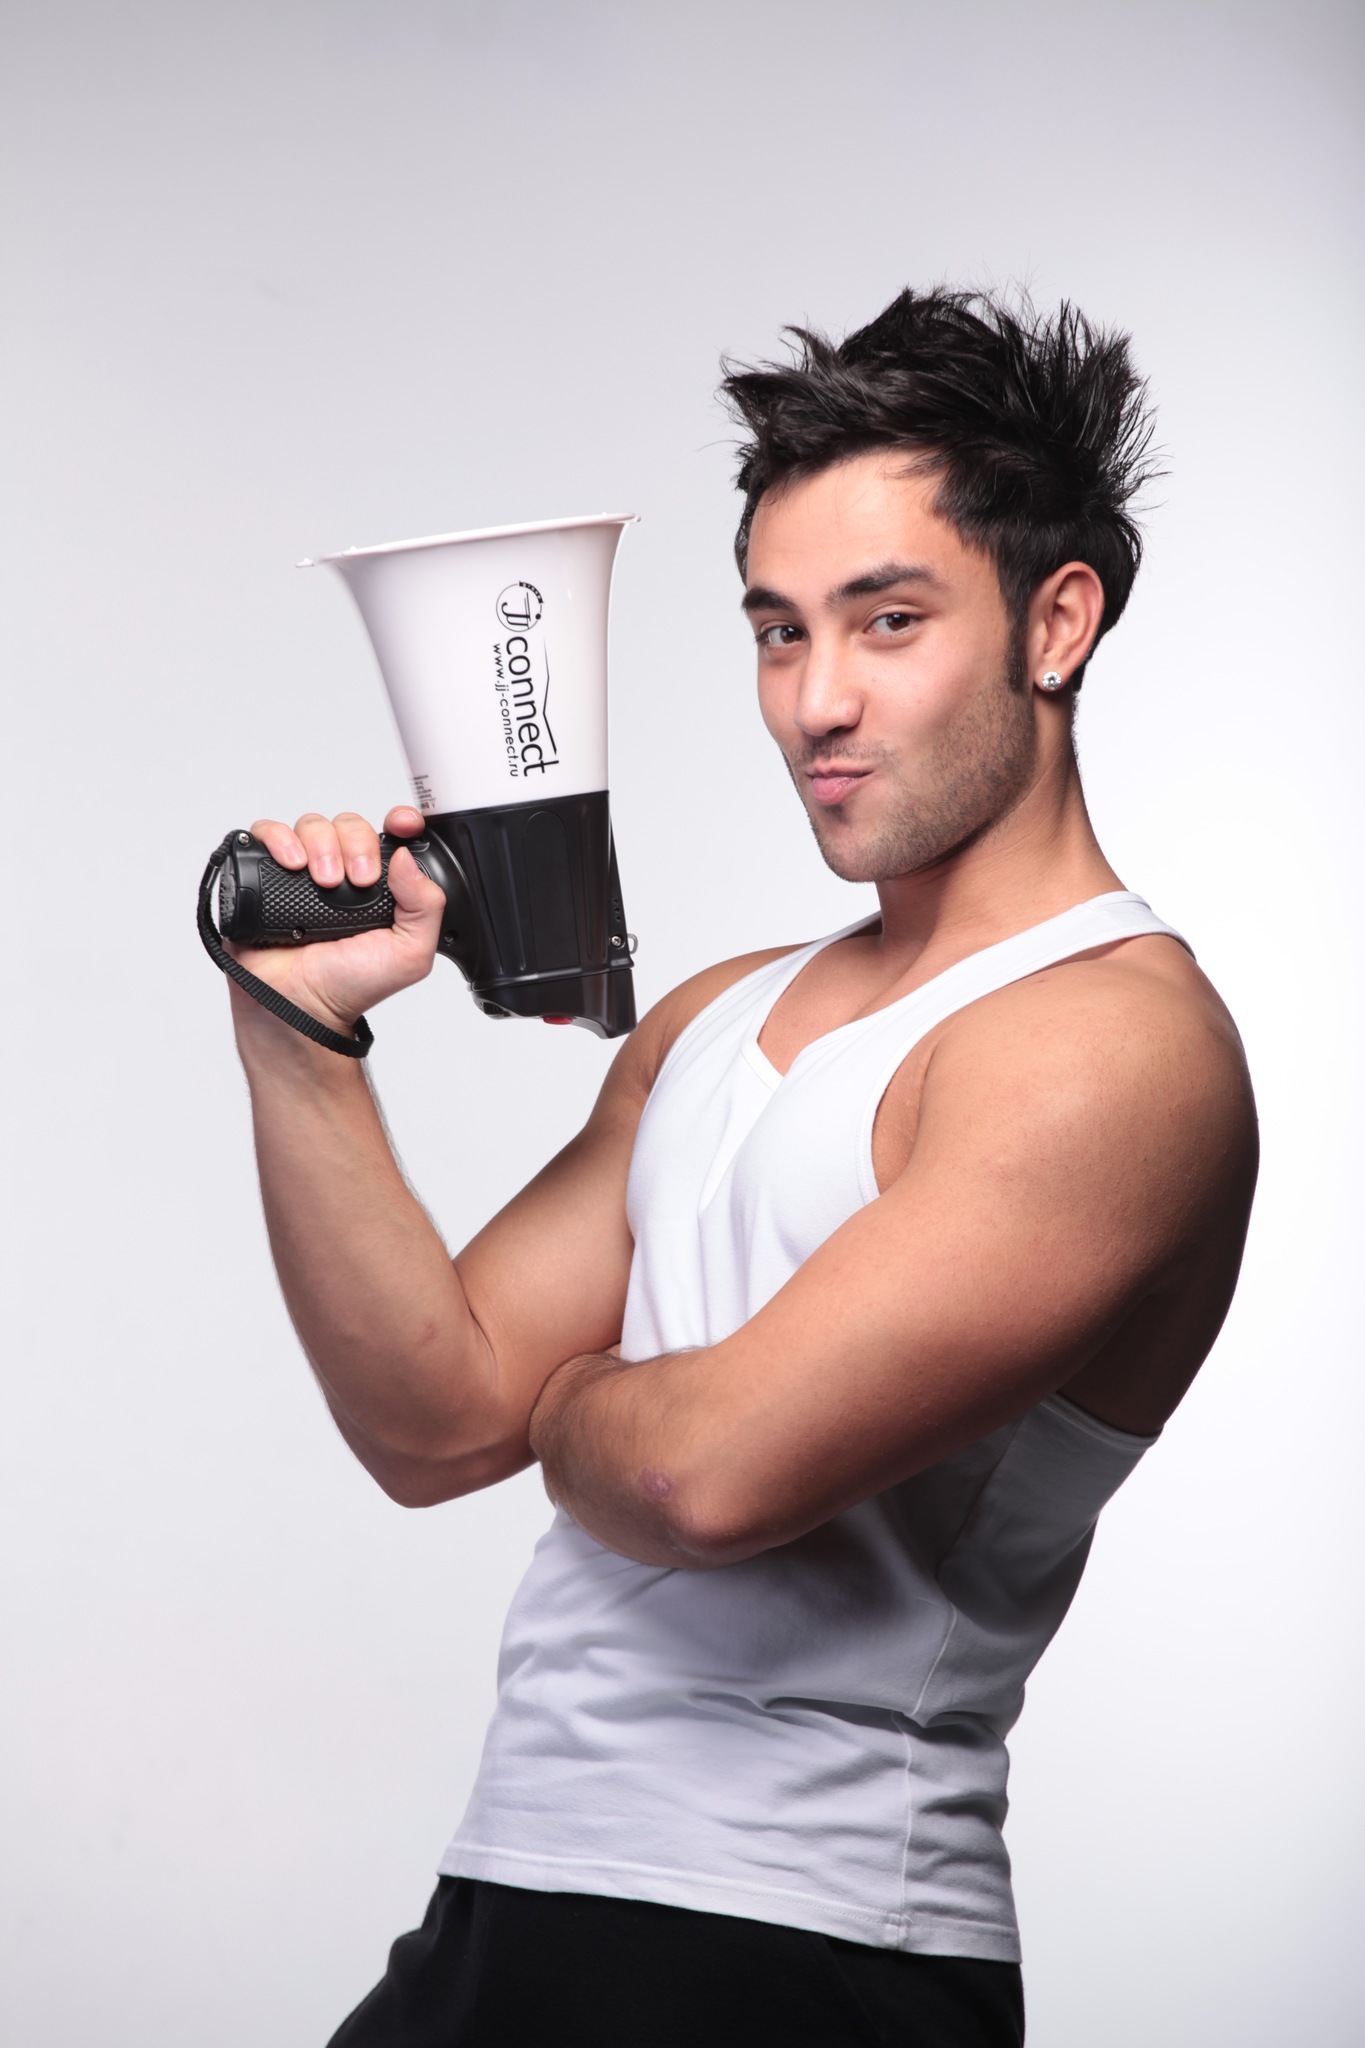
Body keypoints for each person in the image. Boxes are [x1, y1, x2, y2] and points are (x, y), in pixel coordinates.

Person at [227, 288, 1258, 2046]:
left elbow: (697, 1479)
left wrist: (579, 1399)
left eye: (888, 620)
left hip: (802, 1950)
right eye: (779, 632)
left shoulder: (1109, 1048)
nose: (815, 702)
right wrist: (294, 1030)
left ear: (1056, 621)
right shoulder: (720, 1013)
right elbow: (432, 1424)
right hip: (518, 1890)